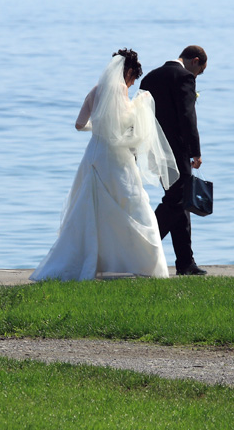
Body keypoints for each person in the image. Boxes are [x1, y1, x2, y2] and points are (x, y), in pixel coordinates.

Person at [30, 50, 179, 282]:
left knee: (90, 208)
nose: (130, 83)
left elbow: (79, 125)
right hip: (116, 157)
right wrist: (140, 108)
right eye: (132, 78)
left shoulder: (94, 91)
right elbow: (122, 125)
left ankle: (89, 259)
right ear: (128, 72)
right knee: (130, 203)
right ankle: (136, 261)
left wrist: (97, 126)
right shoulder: (120, 91)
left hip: (94, 154)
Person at [139, 45, 208, 276]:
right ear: (195, 61)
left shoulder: (150, 78)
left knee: (181, 202)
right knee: (177, 202)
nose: (196, 76)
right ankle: (142, 246)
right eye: (200, 71)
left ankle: (185, 263)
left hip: (155, 149)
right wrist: (195, 151)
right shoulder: (184, 77)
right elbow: (187, 116)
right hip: (177, 150)